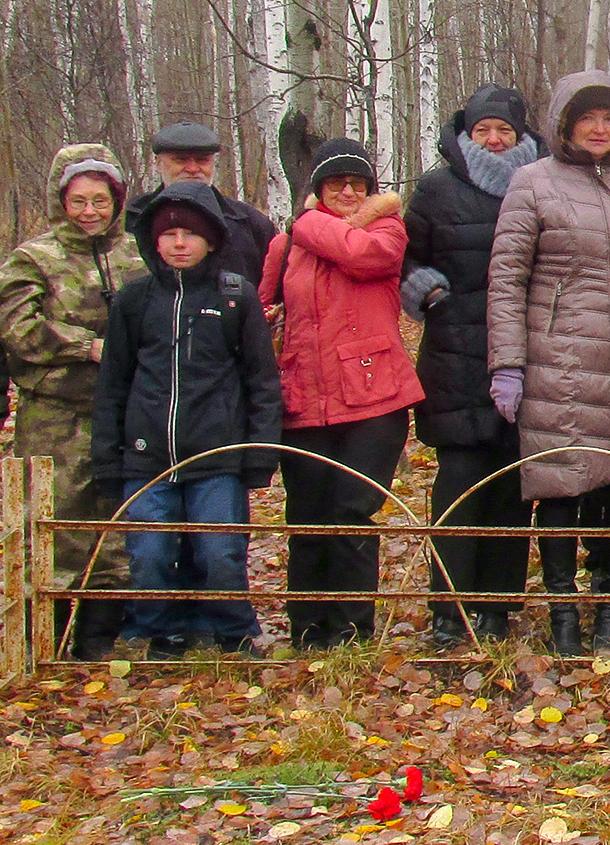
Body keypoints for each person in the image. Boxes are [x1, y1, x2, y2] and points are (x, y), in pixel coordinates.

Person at [487, 70, 610, 657]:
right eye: (586, 118)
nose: (598, 129)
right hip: (560, 359)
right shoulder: (532, 182)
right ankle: (564, 613)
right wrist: (507, 364)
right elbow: (507, 279)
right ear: (565, 125)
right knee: (561, 489)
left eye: (608, 118)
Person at [92, 183, 281, 657]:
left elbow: (261, 380)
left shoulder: (235, 299)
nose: (180, 243)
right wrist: (108, 458)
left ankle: (233, 631)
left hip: (217, 455)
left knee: (220, 552)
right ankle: (162, 632)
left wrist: (258, 453)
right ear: (153, 241)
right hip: (146, 457)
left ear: (211, 241)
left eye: (191, 234)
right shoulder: (134, 301)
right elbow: (113, 384)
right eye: (170, 233)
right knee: (150, 554)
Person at [262, 138, 424, 649]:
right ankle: (308, 629)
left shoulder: (387, 229)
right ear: (319, 188)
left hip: (374, 398)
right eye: (337, 183)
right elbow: (263, 302)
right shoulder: (283, 246)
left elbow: (361, 256)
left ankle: (354, 631)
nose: (349, 191)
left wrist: (305, 222)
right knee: (306, 515)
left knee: (352, 511)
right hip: (302, 397)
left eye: (358, 183)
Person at [402, 85, 543, 646]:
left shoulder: (539, 184)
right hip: (454, 354)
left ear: (520, 136)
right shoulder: (437, 188)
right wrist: (426, 290)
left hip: (525, 353)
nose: (493, 139)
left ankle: (497, 606)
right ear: (466, 135)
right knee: (459, 486)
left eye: (503, 130)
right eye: (483, 130)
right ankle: (448, 607)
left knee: (512, 487)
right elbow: (407, 253)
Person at [0, 145, 144, 659]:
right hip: (54, 414)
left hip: (125, 412)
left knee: (117, 523)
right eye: (79, 201)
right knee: (56, 521)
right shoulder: (31, 259)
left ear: (116, 200)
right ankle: (46, 634)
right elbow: (19, 329)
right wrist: (86, 345)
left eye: (100, 201)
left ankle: (103, 636)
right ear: (61, 201)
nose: (90, 212)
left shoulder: (136, 255)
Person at [127, 122, 277, 285]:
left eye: (202, 160)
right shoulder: (132, 220)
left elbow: (271, 293)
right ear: (158, 163)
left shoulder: (251, 225)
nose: (192, 168)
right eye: (181, 160)